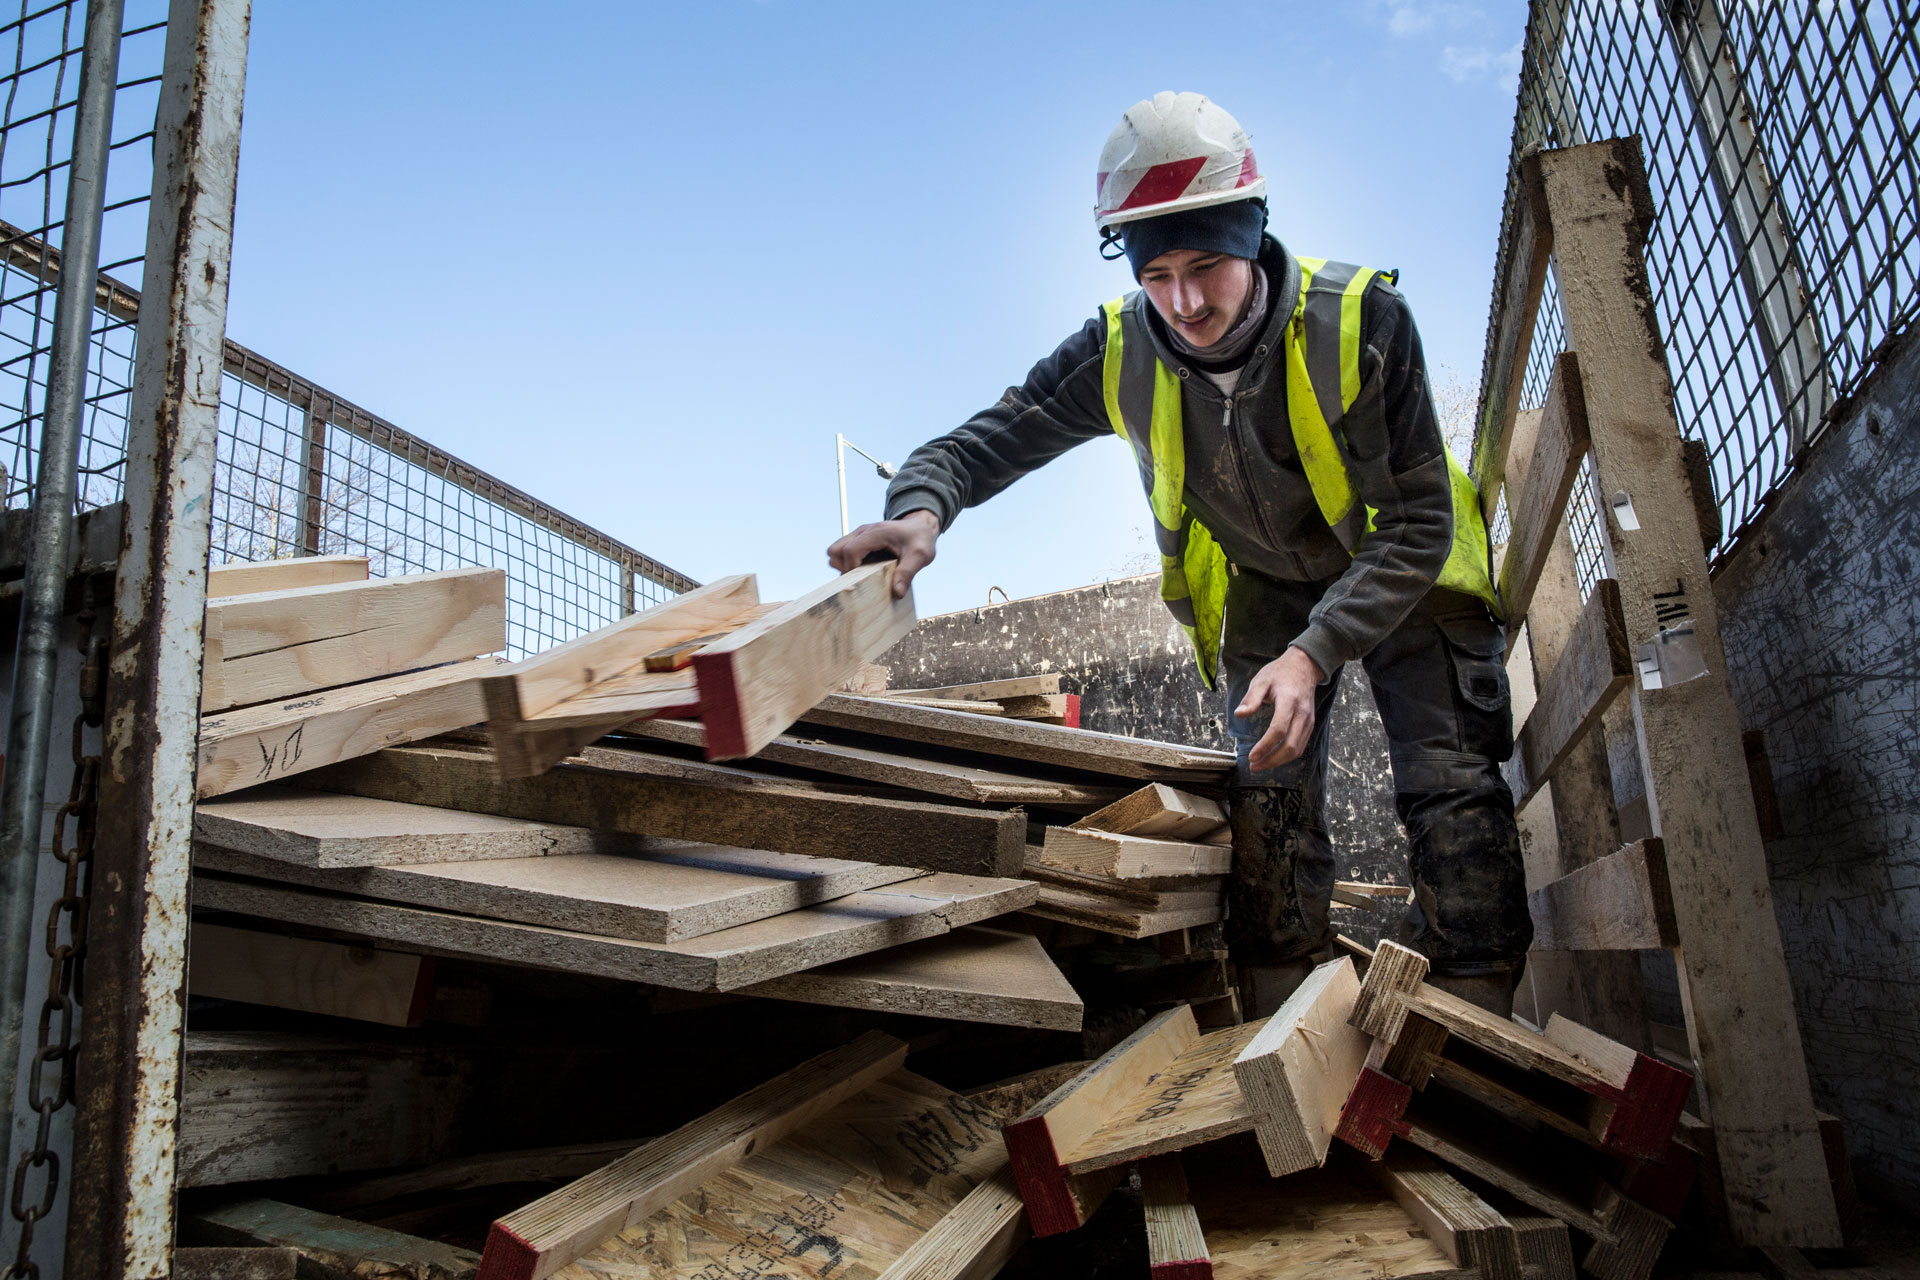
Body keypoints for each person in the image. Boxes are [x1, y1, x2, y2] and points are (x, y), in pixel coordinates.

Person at [826, 91, 1530, 1016]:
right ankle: (1292, 1018)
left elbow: (1415, 526)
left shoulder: (1362, 323)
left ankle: (1478, 1031)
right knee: (1268, 795)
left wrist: (1314, 655)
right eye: (1156, 274)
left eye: (1207, 266)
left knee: (1448, 784)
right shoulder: (1118, 351)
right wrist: (921, 512)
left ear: (1253, 236)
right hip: (1269, 583)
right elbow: (974, 444)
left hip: (1407, 575)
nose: (1185, 302)